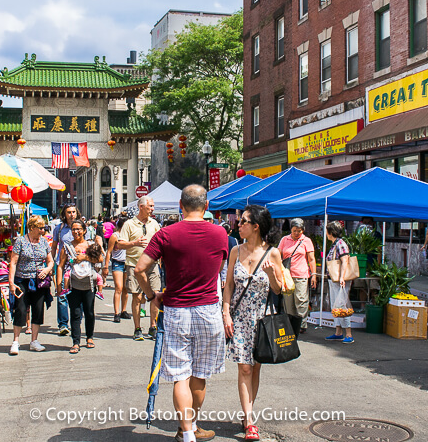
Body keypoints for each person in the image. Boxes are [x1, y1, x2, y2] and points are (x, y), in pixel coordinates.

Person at [135, 184, 229, 442]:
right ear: (207, 206)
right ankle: (193, 423)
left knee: (180, 375)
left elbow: (139, 269)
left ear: (180, 205)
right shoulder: (220, 234)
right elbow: (218, 267)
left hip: (176, 309)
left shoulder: (165, 234)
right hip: (209, 309)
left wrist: (153, 296)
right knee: (200, 374)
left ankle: (187, 432)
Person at [223, 205, 283, 441]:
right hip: (239, 317)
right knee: (244, 367)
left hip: (262, 317)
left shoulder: (273, 253)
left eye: (243, 222)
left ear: (255, 226)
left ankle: (247, 411)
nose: (239, 225)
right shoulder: (235, 251)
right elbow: (228, 286)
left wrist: (270, 275)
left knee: (255, 367)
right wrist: (226, 313)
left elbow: (279, 289)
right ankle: (250, 421)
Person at [8, 215, 55, 355]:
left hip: (39, 281)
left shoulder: (44, 242)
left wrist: (47, 269)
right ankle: (15, 341)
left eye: (43, 228)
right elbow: (13, 262)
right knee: (21, 308)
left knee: (38, 309)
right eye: (40, 228)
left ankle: (34, 340)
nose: (42, 230)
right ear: (32, 227)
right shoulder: (21, 241)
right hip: (23, 280)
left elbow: (50, 261)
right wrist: (11, 282)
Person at [116, 195, 161, 341]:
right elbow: (120, 244)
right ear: (141, 206)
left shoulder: (154, 223)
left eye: (153, 206)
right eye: (150, 206)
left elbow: (161, 242)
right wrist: (134, 243)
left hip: (152, 264)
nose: (152, 209)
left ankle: (153, 327)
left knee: (155, 295)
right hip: (134, 264)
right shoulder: (129, 224)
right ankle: (137, 328)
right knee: (137, 296)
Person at [57, 220, 100, 354]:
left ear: (84, 230)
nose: (76, 232)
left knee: (89, 312)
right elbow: (60, 265)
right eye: (74, 229)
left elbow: (99, 259)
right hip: (73, 285)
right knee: (75, 314)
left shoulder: (91, 245)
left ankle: (89, 337)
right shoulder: (67, 246)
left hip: (89, 284)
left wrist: (85, 257)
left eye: (79, 229)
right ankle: (75, 342)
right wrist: (59, 286)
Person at [277, 218, 316, 334]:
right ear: (291, 230)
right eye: (294, 230)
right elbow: (278, 254)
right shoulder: (284, 239)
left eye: (299, 231)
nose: (296, 233)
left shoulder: (306, 241)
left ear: (303, 230)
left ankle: (301, 324)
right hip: (287, 275)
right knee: (288, 302)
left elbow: (312, 259)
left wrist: (314, 275)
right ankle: (290, 323)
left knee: (301, 300)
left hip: (301, 274)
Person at [52, 204, 82, 336]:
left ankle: (77, 322)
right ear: (64, 214)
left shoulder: (81, 228)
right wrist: (51, 261)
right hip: (62, 266)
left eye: (73, 212)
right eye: (68, 212)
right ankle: (63, 324)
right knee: (62, 295)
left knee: (78, 295)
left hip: (79, 266)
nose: (71, 214)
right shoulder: (59, 229)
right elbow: (54, 245)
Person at [324, 222, 355, 344]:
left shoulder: (340, 244)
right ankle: (338, 332)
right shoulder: (335, 244)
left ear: (331, 232)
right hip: (334, 279)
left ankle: (348, 333)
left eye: (327, 232)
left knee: (341, 305)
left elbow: (345, 260)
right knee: (335, 306)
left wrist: (342, 277)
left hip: (339, 280)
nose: (326, 234)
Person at [104, 216, 130, 323]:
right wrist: (106, 266)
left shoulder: (130, 236)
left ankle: (123, 310)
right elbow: (109, 252)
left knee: (125, 288)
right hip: (117, 263)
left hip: (128, 263)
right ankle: (116, 312)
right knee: (118, 287)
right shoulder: (115, 236)